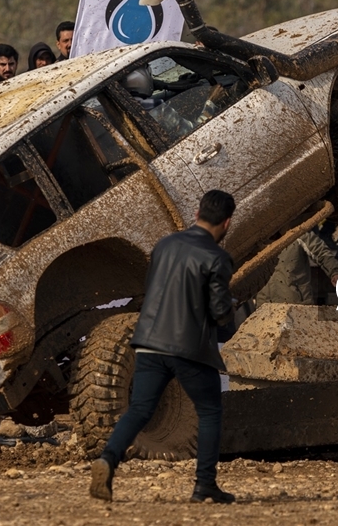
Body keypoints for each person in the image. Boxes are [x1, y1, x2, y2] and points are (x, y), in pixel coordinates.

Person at [90, 190, 236, 505]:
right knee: (210, 411)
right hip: (188, 348)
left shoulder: (165, 245)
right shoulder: (217, 258)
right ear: (226, 223)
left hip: (148, 342)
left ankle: (108, 459)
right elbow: (221, 312)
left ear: (196, 213)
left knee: (141, 409)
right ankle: (204, 486)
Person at [255, 229, 338, 305]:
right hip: (264, 306)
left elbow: (320, 251)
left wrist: (334, 272)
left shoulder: (297, 233)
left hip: (296, 306)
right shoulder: (254, 243)